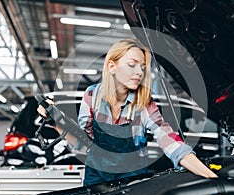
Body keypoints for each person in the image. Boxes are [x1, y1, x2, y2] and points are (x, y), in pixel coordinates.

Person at [37, 38, 218, 186]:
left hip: (133, 178)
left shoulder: (144, 103)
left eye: (142, 67)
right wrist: (56, 121)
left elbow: (170, 142)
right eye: (132, 64)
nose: (139, 72)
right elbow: (84, 143)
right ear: (111, 67)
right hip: (96, 178)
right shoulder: (92, 95)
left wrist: (211, 178)